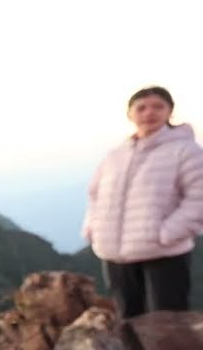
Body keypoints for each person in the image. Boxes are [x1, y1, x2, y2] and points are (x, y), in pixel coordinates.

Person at [82, 85, 203, 319]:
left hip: (164, 253)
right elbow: (95, 195)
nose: (149, 113)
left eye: (158, 106)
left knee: (168, 322)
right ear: (130, 114)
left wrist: (166, 233)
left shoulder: (186, 151)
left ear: (170, 112)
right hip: (115, 254)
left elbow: (198, 198)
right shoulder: (116, 155)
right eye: (141, 107)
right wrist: (93, 229)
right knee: (127, 321)